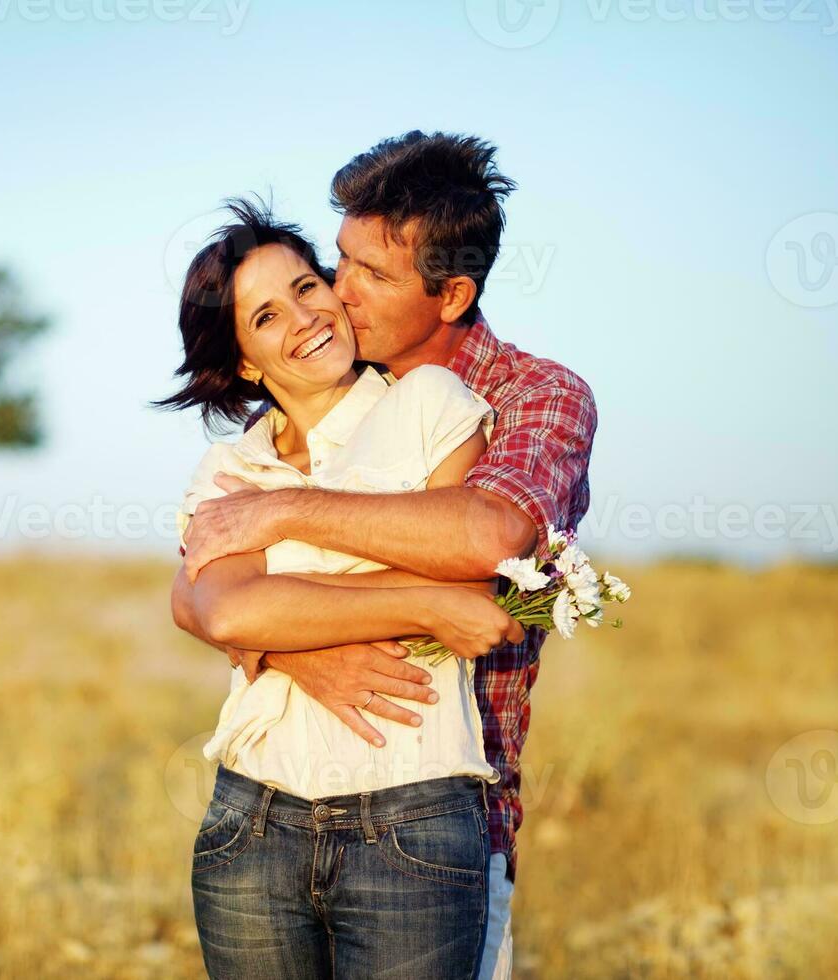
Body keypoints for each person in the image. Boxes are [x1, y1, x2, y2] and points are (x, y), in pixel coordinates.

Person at [172, 131, 598, 979]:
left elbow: (482, 541)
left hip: (439, 808)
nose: (335, 295)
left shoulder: (525, 397)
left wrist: (281, 516)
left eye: (370, 275)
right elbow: (203, 600)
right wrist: (307, 653)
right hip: (264, 808)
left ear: (450, 296)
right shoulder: (260, 443)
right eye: (338, 262)